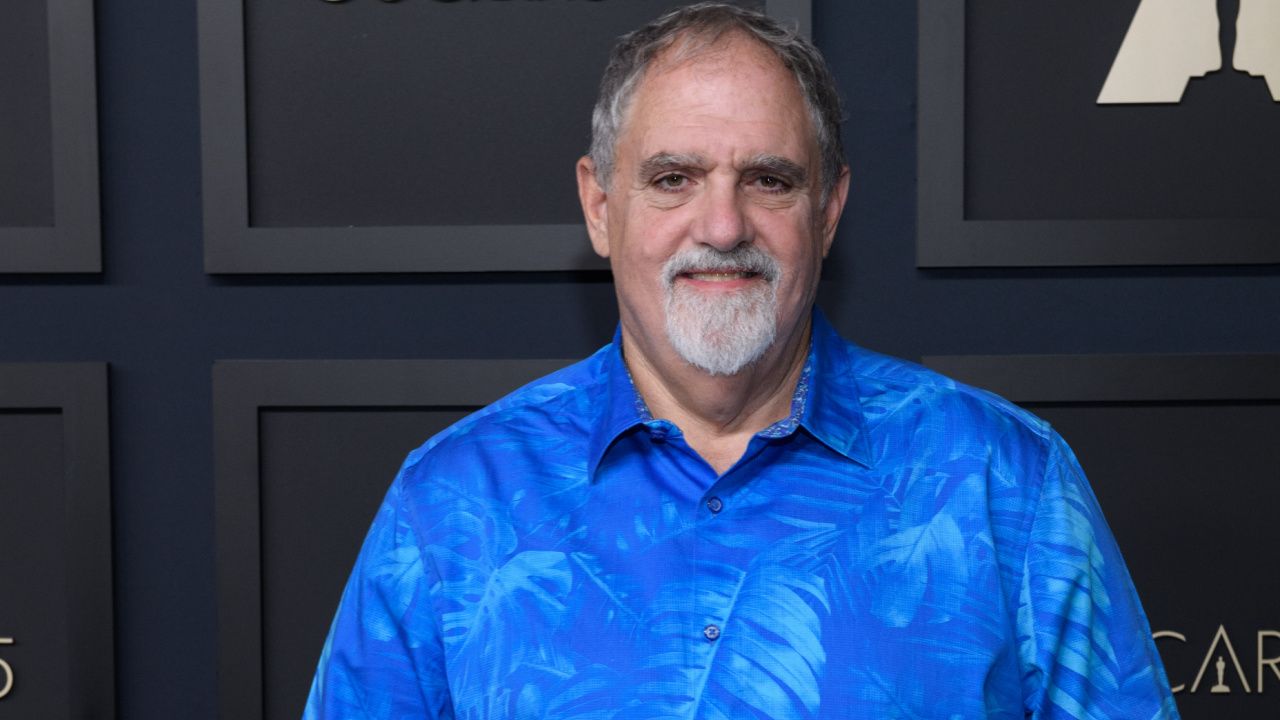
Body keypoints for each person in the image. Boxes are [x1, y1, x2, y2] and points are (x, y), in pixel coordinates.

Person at [303, 4, 1180, 718]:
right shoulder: (455, 502)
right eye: (673, 178)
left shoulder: (1004, 483)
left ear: (829, 209)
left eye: (768, 179)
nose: (722, 228)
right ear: (601, 205)